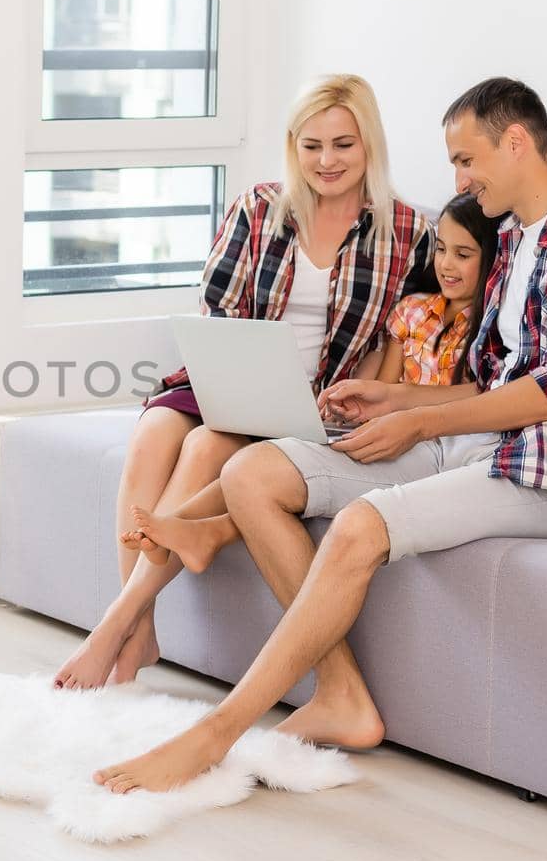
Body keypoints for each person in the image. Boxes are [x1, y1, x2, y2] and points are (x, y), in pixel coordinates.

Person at [91, 77, 547, 794]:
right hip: (493, 443)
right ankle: (339, 692)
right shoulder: (519, 240)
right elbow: (491, 385)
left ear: (516, 142)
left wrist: (420, 419)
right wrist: (395, 397)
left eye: (467, 160)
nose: (458, 179)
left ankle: (215, 734)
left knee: (359, 525)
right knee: (253, 475)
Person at [54, 74, 435, 690]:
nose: (326, 161)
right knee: (155, 430)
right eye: (311, 146)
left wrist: (340, 402)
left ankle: (115, 622)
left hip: (315, 404)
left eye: (342, 144)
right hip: (230, 378)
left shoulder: (410, 234)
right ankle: (142, 627)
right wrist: (238, 382)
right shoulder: (259, 209)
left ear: (369, 143)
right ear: (293, 146)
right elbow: (219, 311)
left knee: (206, 448)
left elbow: (400, 340)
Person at [122, 192, 505, 573]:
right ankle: (179, 524)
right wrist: (359, 403)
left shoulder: (491, 325)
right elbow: (385, 389)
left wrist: (396, 405)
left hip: (424, 444)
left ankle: (192, 530)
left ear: (491, 261)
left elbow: (479, 398)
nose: (446, 264)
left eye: (463, 254)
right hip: (382, 430)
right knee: (261, 460)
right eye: (441, 250)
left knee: (262, 469)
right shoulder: (412, 312)